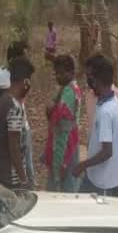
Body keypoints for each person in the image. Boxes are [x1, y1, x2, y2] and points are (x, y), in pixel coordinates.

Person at [73, 55, 118, 197]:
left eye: (88, 76)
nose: (87, 81)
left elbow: (107, 152)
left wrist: (82, 165)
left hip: (103, 183)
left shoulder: (107, 111)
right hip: (97, 177)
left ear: (96, 80)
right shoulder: (112, 101)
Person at [0, 57, 36, 190]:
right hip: (13, 177)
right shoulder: (14, 107)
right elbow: (14, 146)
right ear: (26, 82)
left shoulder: (3, 100)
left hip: (2, 171)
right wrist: (24, 179)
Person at [45, 55, 82, 192]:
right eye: (56, 73)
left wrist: (62, 161)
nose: (57, 77)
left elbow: (62, 127)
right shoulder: (71, 88)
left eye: (61, 73)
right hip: (70, 143)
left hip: (64, 146)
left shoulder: (68, 92)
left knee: (61, 190)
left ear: (71, 73)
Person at [85, 78, 118, 157]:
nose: (89, 78)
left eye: (92, 75)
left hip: (112, 156)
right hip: (93, 153)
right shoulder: (89, 96)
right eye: (88, 75)